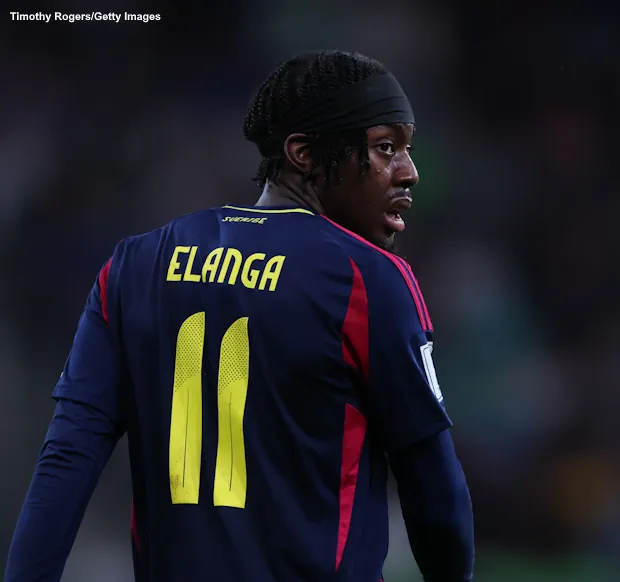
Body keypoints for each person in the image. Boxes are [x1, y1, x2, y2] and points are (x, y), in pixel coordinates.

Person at [5, 50, 474, 582]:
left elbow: (67, 459)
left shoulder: (134, 265)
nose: (410, 172)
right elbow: (432, 485)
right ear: (303, 153)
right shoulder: (369, 281)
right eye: (385, 147)